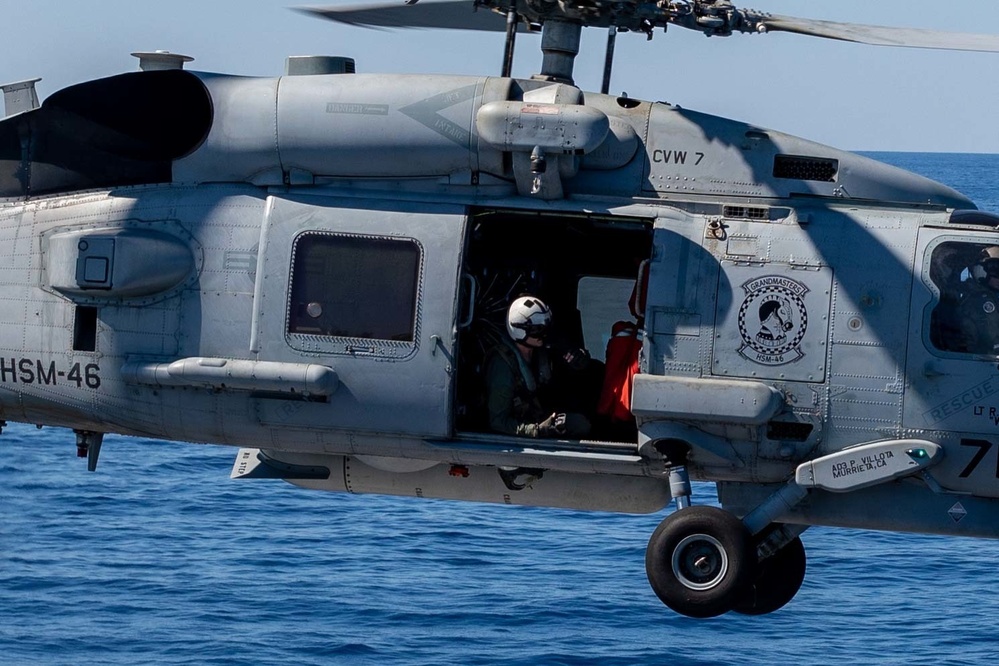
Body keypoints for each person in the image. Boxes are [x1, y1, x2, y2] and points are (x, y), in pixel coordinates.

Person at [483, 296, 591, 438]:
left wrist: (580, 358)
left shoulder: (540, 351)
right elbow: (498, 422)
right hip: (521, 430)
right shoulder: (502, 369)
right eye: (537, 330)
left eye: (545, 328)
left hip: (540, 413)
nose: (543, 334)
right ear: (519, 330)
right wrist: (538, 430)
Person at [954, 246, 999, 354]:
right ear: (980, 271)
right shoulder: (981, 302)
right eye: (996, 270)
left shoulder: (988, 297)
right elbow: (992, 340)